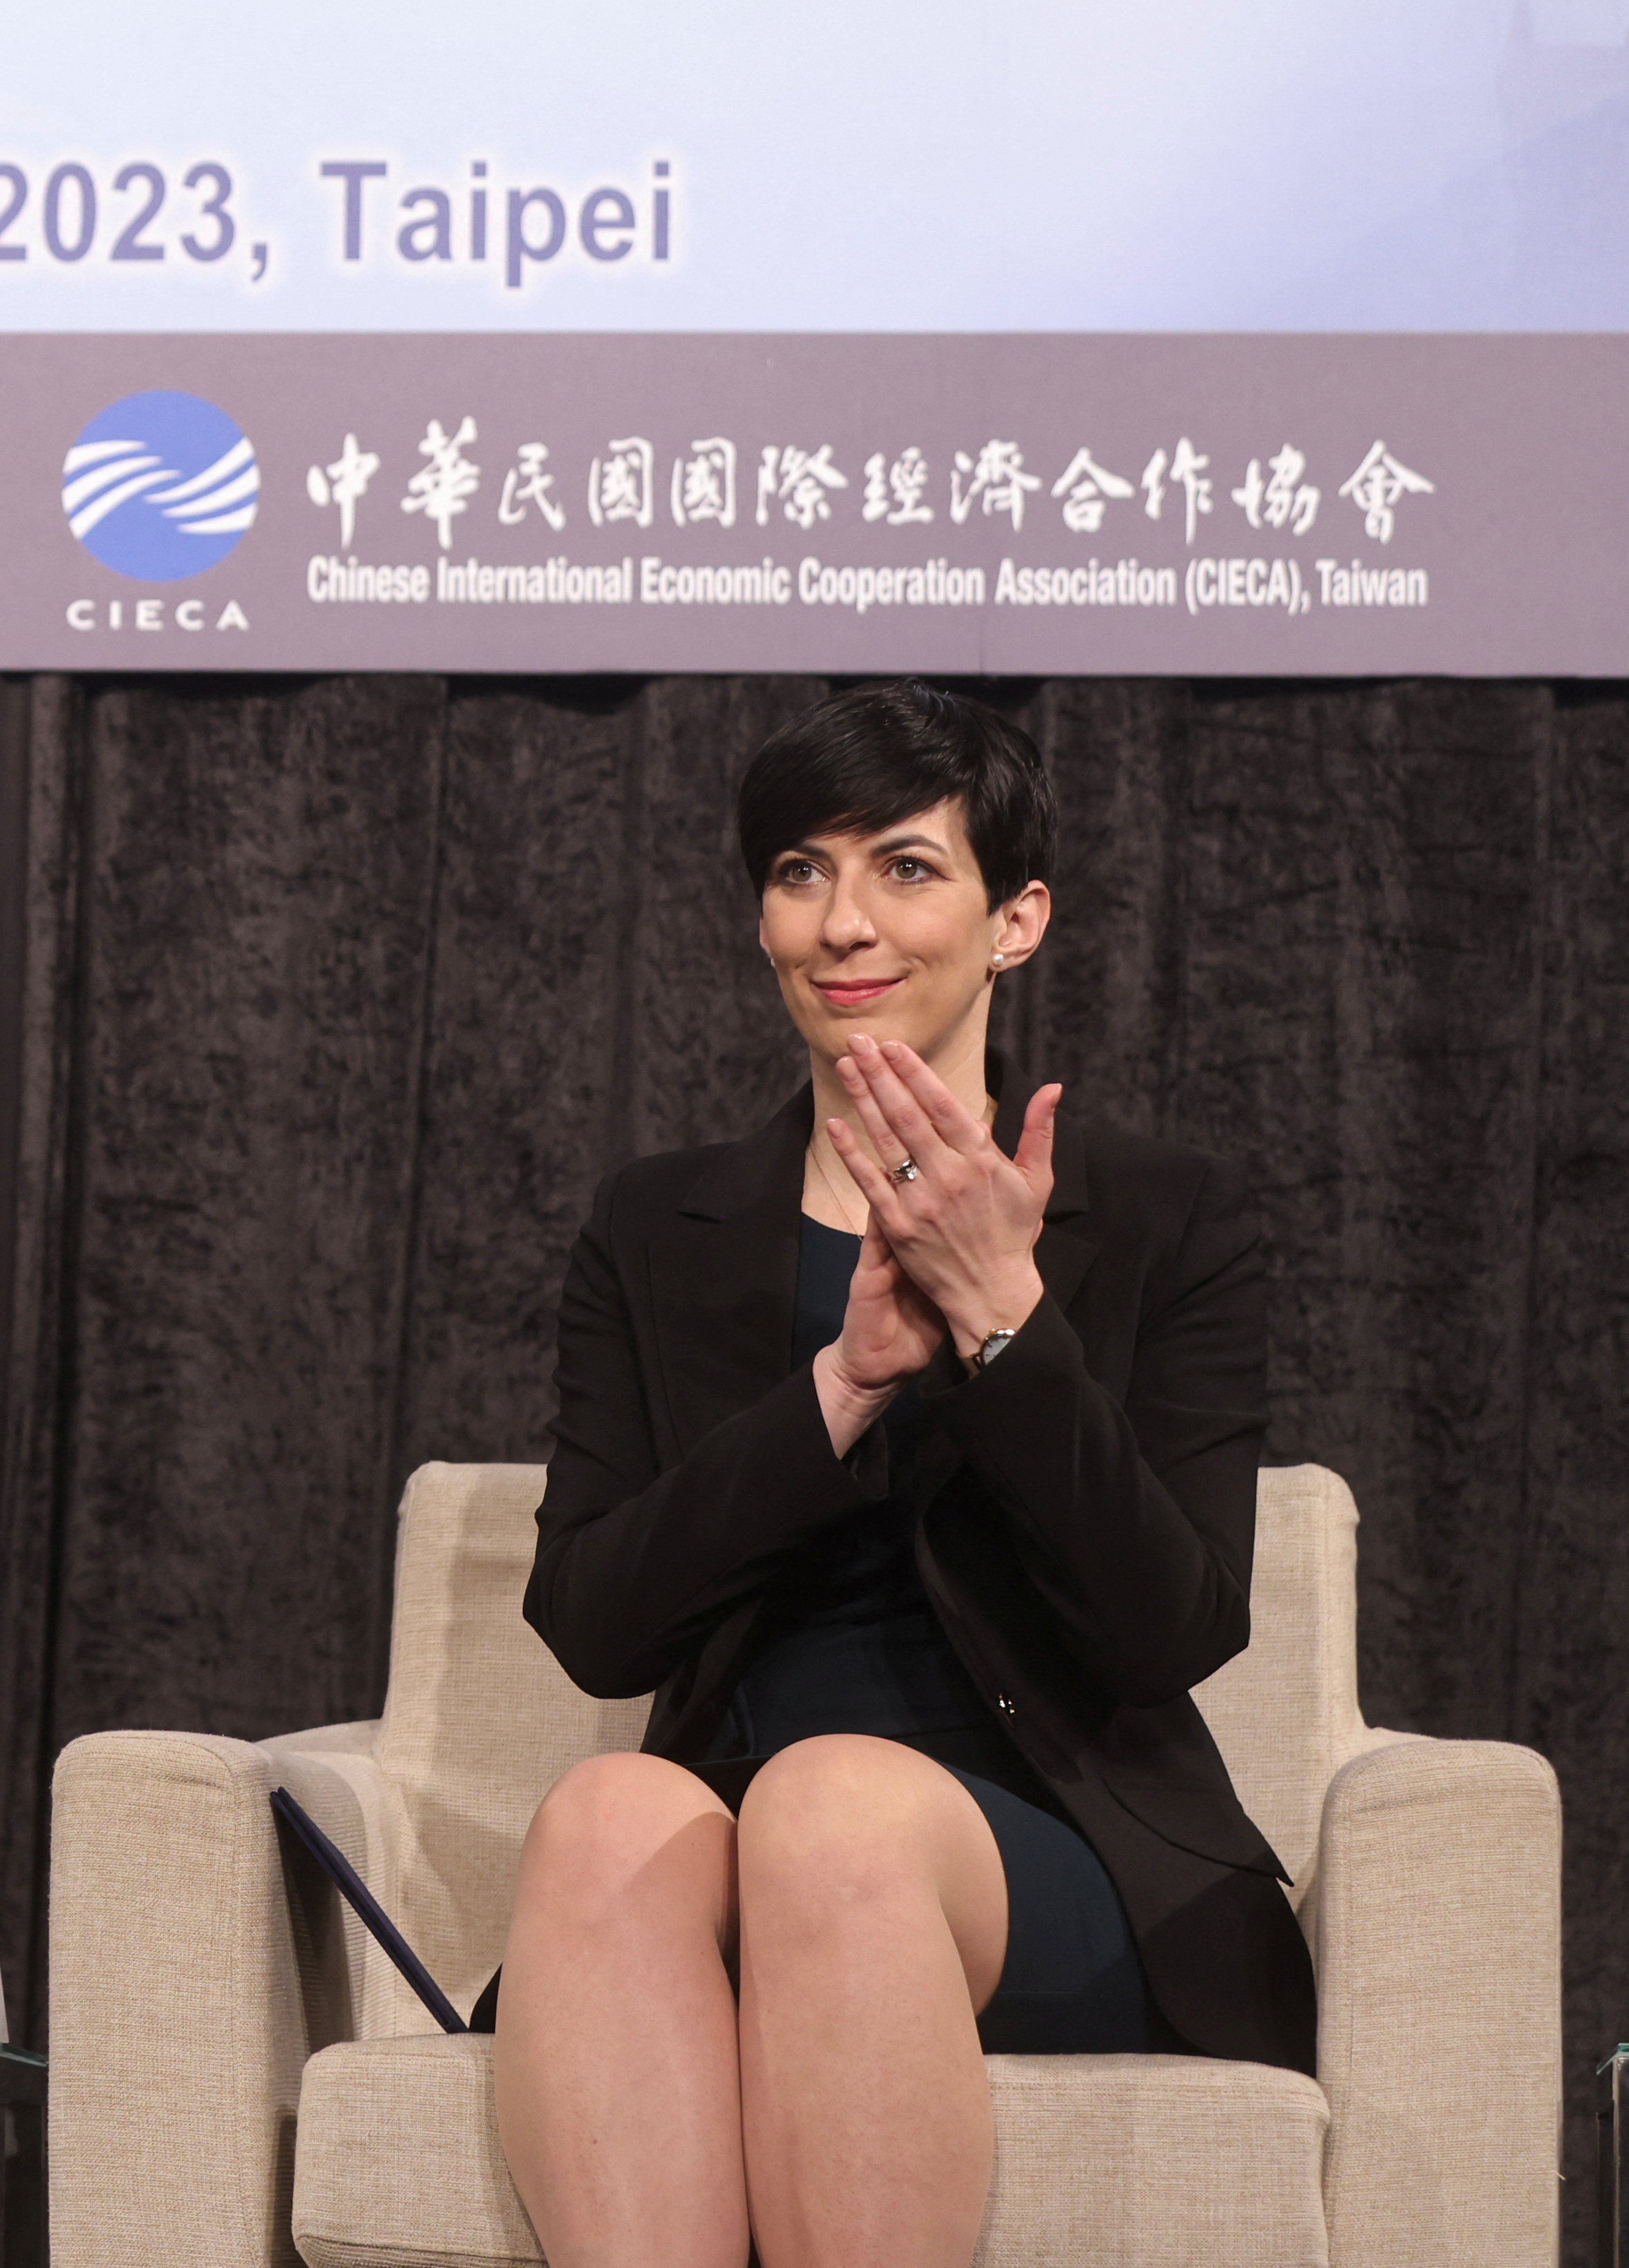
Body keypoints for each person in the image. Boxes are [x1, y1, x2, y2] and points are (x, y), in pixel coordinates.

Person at [489, 680, 1313, 2268]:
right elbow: (597, 1625)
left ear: (1015, 920)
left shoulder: (1163, 1217)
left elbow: (1170, 1625)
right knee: (600, 1811)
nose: (841, 922)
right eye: (799, 870)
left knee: (834, 1807)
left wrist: (1006, 1322)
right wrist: (842, 1385)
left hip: (1060, 1853)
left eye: (904, 869)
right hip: (738, 1830)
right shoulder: (658, 1225)